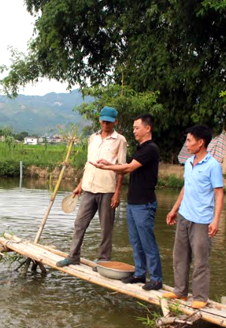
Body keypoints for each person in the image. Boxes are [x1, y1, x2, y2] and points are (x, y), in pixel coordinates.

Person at [91, 114, 163, 291]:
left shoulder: (150, 149)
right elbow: (128, 164)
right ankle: (139, 274)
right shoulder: (140, 148)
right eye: (133, 128)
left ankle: (156, 278)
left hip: (144, 203)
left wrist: (107, 167)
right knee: (136, 241)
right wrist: (109, 163)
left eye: (137, 128)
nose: (134, 131)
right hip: (133, 202)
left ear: (147, 129)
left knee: (147, 242)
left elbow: (129, 167)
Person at [56, 106, 127, 267]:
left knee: (105, 228)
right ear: (99, 120)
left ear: (115, 122)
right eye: (103, 120)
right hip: (88, 188)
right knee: (79, 223)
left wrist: (117, 193)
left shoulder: (120, 140)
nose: (105, 124)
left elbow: (122, 168)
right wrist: (80, 185)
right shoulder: (92, 138)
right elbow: (88, 164)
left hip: (107, 189)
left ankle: (103, 260)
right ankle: (73, 256)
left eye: (109, 121)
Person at [164, 125, 224, 309]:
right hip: (184, 216)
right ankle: (180, 291)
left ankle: (200, 296)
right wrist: (174, 209)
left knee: (200, 259)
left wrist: (215, 220)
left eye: (189, 140)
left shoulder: (213, 165)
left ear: (201, 142)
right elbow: (186, 187)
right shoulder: (189, 163)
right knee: (180, 256)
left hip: (202, 220)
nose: (187, 144)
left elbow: (219, 193)